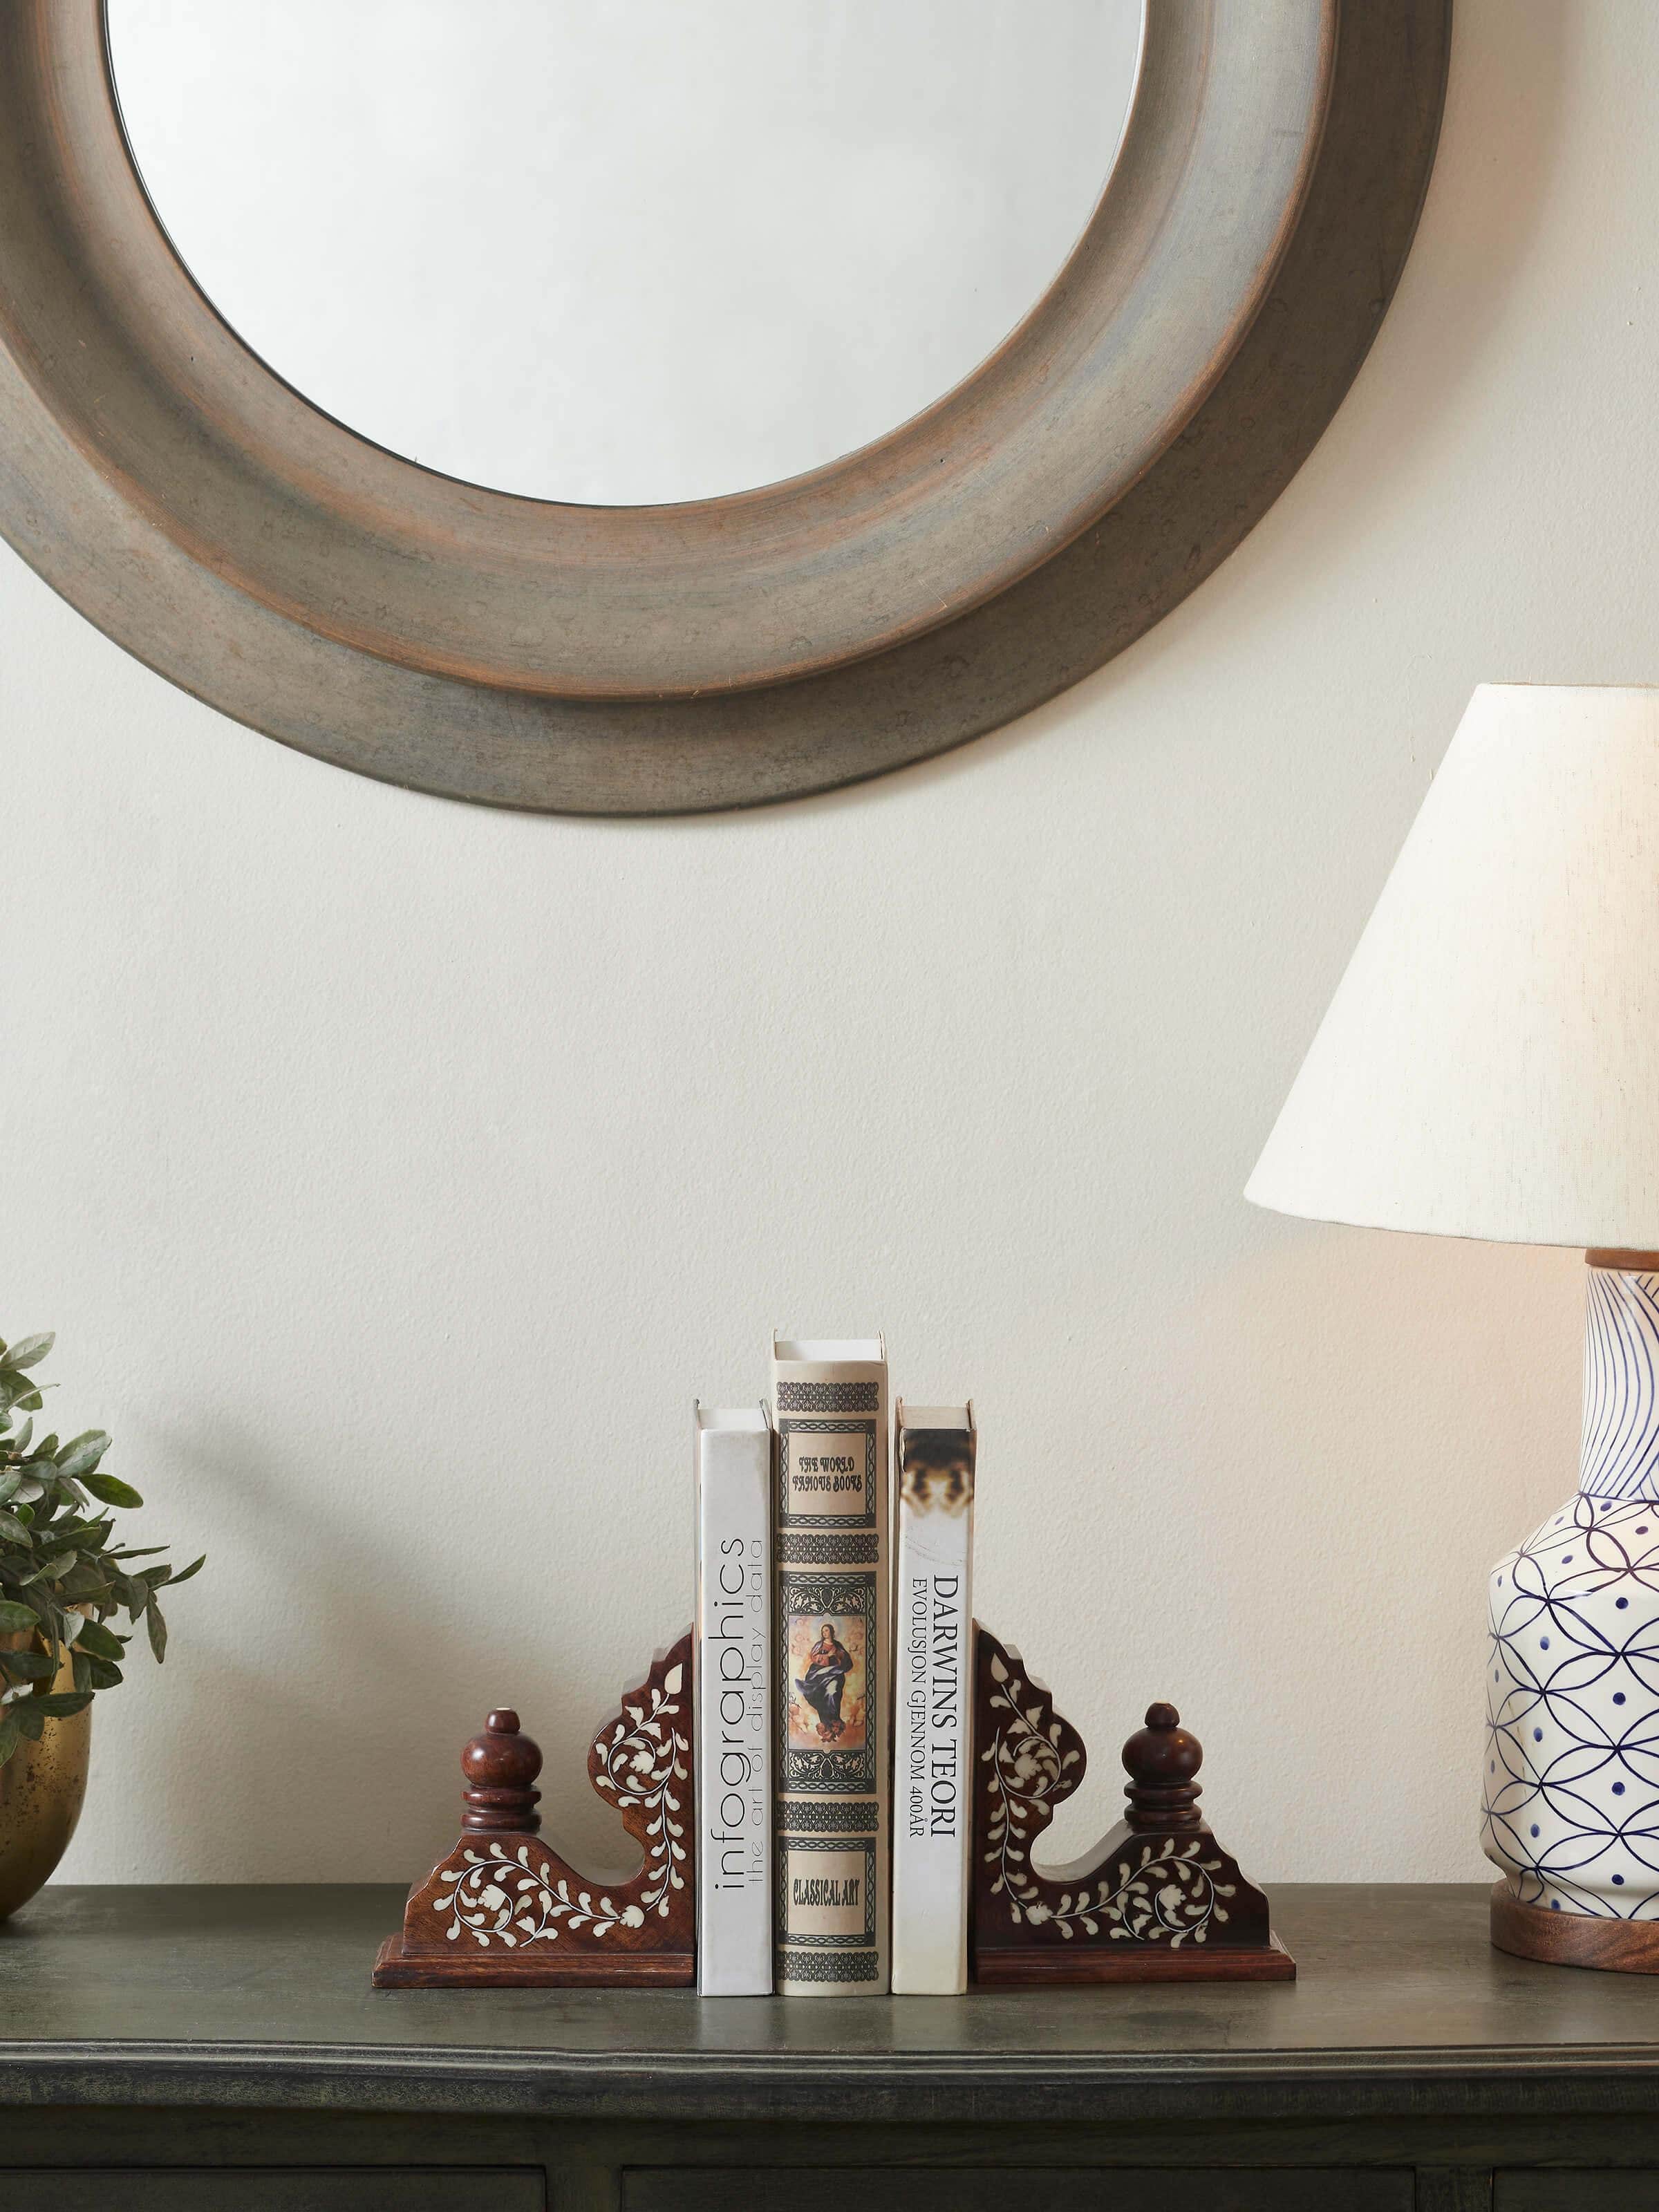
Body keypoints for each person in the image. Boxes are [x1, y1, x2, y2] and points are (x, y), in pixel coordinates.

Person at [796, 1620, 854, 1741]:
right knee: (821, 1696)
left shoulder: (838, 1646)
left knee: (833, 1693)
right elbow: (813, 1658)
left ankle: (834, 1720)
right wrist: (828, 1656)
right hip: (819, 1674)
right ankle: (827, 1725)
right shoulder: (819, 1645)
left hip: (834, 1674)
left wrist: (836, 1655)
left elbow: (846, 1660)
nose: (824, 1633)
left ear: (832, 1632)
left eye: (826, 1630)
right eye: (823, 1631)